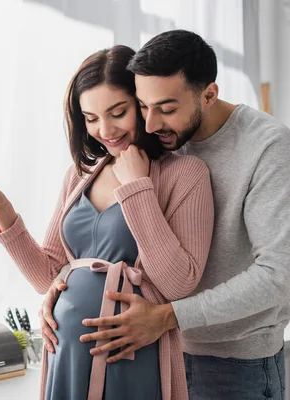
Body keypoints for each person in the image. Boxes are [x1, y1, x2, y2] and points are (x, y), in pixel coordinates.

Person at [40, 30, 290, 400]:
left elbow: (279, 275)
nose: (152, 123)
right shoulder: (155, 145)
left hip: (232, 362)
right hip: (150, 351)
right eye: (143, 106)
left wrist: (167, 317)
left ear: (208, 95)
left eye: (167, 109)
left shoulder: (267, 147)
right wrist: (61, 287)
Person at [0, 45, 214, 399]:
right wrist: (5, 214)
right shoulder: (79, 177)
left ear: (141, 105)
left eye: (117, 112)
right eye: (91, 118)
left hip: (132, 354)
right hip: (66, 353)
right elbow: (49, 275)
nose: (105, 130)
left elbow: (179, 283)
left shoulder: (184, 175)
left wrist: (138, 189)